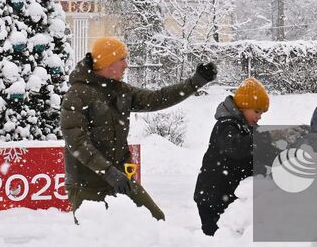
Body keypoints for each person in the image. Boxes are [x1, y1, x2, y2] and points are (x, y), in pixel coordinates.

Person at [61, 36, 215, 221]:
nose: (126, 65)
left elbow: (157, 98)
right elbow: (76, 142)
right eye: (122, 59)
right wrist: (107, 171)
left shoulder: (121, 91)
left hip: (121, 179)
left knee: (155, 220)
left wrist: (194, 82)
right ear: (107, 63)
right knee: (94, 239)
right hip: (87, 183)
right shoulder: (77, 95)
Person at [193, 78, 279, 236]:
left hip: (230, 197)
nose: (260, 116)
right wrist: (265, 138)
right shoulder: (226, 125)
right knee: (220, 240)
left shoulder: (249, 129)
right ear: (244, 106)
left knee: (233, 241)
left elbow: (263, 151)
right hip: (213, 198)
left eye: (262, 113)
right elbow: (236, 147)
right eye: (257, 111)